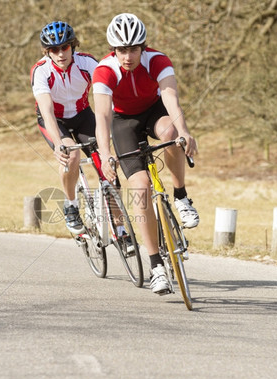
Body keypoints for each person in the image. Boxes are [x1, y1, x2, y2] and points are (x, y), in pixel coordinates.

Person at [93, 13, 200, 295]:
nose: (128, 56)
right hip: (124, 123)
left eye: (133, 49)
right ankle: (155, 267)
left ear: (143, 47)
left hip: (154, 112)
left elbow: (170, 98)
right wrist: (105, 155)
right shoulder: (104, 71)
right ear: (113, 51)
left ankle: (180, 197)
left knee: (170, 135)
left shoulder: (157, 61)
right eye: (121, 50)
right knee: (140, 187)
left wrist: (184, 131)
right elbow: (102, 117)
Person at [30, 21, 98, 234]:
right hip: (54, 120)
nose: (60, 54)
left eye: (65, 47)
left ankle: (120, 227)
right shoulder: (41, 71)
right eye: (54, 49)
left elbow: (108, 95)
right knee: (71, 155)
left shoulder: (87, 64)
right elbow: (47, 111)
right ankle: (71, 204)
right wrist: (59, 144)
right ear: (47, 52)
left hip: (82, 114)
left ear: (73, 46)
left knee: (105, 159)